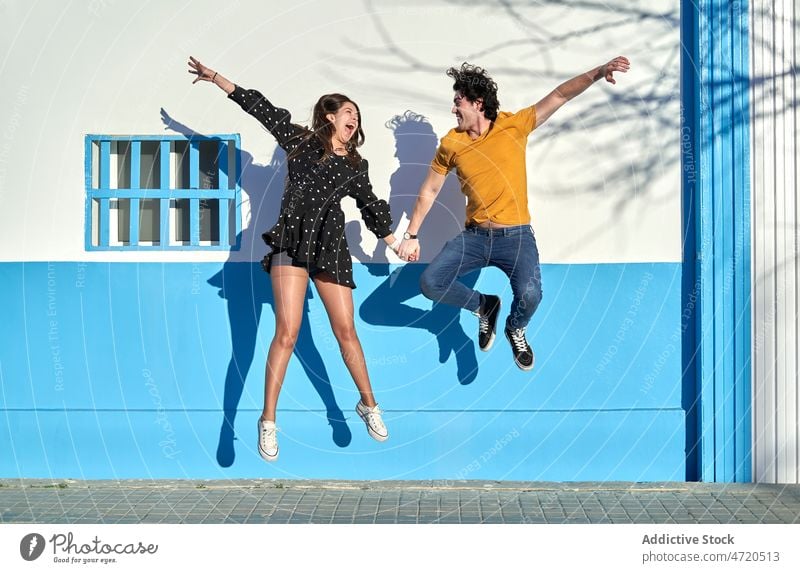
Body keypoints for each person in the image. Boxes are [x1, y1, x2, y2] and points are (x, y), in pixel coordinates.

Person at [188, 56, 399, 461]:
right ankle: (267, 421)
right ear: (330, 117)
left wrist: (393, 241)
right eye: (347, 112)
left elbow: (371, 205)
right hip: (291, 245)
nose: (354, 119)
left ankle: (368, 405)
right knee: (286, 331)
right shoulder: (300, 141)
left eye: (357, 114)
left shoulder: (356, 165)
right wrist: (216, 78)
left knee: (346, 332)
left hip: (331, 245)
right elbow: (260, 107)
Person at [397, 57, 630, 371]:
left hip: (516, 237)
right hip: (475, 237)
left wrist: (599, 72)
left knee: (531, 295)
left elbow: (560, 95)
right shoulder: (451, 143)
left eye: (458, 102)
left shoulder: (513, 125)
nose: (454, 109)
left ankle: (515, 328)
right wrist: (411, 235)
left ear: (478, 103)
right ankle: (484, 305)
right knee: (430, 282)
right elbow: (429, 190)